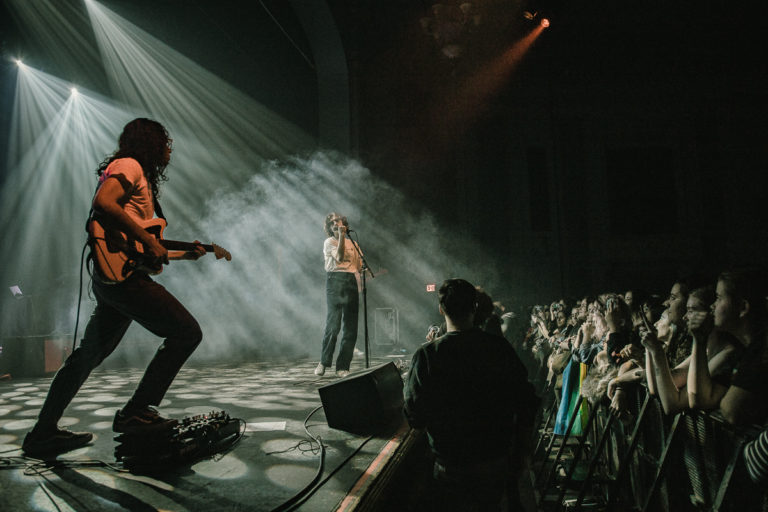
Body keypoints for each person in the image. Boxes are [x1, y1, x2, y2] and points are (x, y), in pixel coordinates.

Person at [23, 118, 207, 457]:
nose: (169, 149)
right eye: (165, 142)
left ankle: (42, 433)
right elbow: (104, 205)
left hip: (115, 281)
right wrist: (145, 242)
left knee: (85, 357)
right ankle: (136, 412)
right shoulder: (129, 165)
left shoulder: (141, 180)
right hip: (123, 282)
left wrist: (182, 254)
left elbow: (142, 246)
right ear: (150, 142)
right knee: (186, 332)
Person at [404, 278, 539, 511]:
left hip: (451, 466)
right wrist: (522, 453)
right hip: (495, 462)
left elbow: (415, 416)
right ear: (474, 308)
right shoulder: (499, 349)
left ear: (441, 309)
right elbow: (527, 401)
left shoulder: (427, 355)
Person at [314, 212, 362, 378]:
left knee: (351, 328)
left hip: (351, 281)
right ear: (329, 227)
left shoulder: (354, 243)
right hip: (335, 279)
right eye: (331, 222)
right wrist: (341, 236)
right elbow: (340, 257)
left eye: (337, 220)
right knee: (333, 325)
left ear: (344, 223)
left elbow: (358, 266)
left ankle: (343, 366)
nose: (335, 223)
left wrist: (359, 285)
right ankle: (324, 361)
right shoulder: (329, 242)